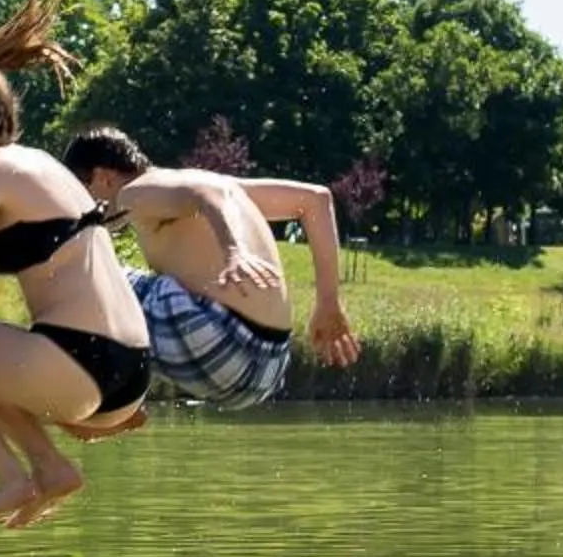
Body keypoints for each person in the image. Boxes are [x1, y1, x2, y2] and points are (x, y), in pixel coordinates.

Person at [0, 0, 152, 531]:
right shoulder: (31, 166)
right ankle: (48, 467)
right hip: (128, 372)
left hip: (79, 362)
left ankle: (15, 475)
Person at [58, 126, 361, 425]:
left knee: (83, 272)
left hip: (223, 345)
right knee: (130, 295)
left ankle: (98, 402)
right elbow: (315, 200)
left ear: (103, 176)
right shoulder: (216, 184)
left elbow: (204, 194)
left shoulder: (134, 192)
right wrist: (328, 302)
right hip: (268, 368)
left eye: (79, 194)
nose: (81, 210)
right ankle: (121, 401)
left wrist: (233, 250)